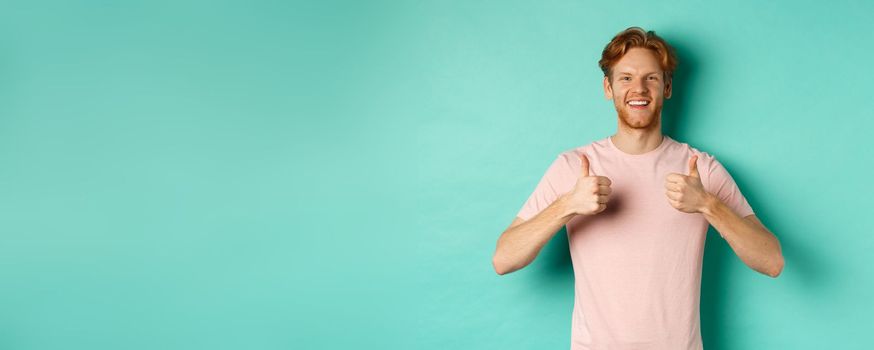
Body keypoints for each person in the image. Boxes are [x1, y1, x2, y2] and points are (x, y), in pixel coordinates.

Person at [491, 27, 784, 350]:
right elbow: (504, 259)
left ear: (667, 87)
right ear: (608, 87)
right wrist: (567, 205)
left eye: (651, 78)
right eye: (626, 78)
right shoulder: (573, 166)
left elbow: (771, 261)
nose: (638, 89)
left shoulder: (701, 169)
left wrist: (707, 204)